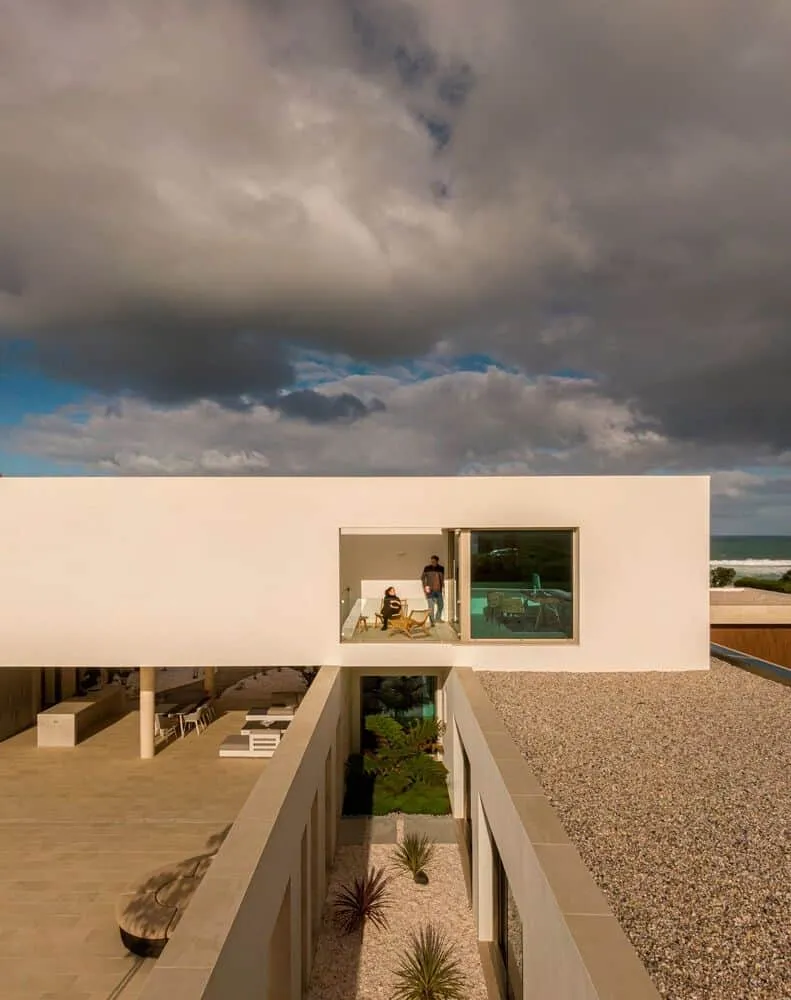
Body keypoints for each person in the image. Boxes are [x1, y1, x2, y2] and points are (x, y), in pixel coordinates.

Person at [421, 554, 445, 625]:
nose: (432, 562)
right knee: (431, 607)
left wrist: (443, 588)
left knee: (441, 605)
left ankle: (438, 618)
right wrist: (425, 588)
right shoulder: (427, 568)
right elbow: (422, 578)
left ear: (437, 561)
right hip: (430, 591)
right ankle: (432, 621)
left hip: (438, 590)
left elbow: (442, 579)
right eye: (431, 561)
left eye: (434, 561)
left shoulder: (441, 568)